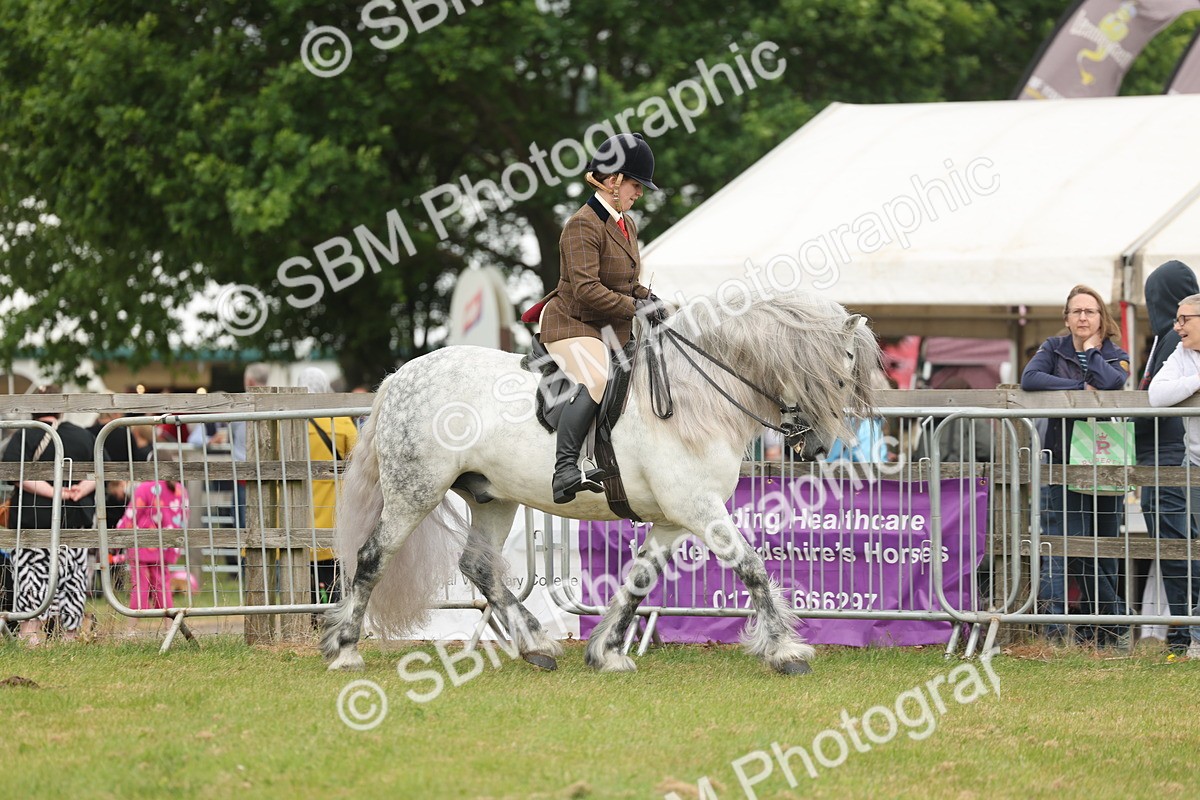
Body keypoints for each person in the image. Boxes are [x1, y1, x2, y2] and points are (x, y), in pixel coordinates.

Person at [523, 132, 668, 503]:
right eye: (636, 185)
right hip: (573, 322)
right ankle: (566, 468)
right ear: (614, 179)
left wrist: (648, 297)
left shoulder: (627, 224)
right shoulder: (581, 224)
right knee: (596, 376)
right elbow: (586, 288)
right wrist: (633, 308)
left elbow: (628, 281)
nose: (640, 193)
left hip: (609, 326)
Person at [1021, 285, 1130, 646]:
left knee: (1104, 548)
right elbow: (1031, 379)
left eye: (1090, 311)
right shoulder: (1053, 348)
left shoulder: (1115, 353)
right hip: (1061, 462)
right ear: (1066, 318)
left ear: (1102, 318)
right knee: (1065, 546)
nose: (1083, 317)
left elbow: (1114, 382)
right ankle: (1060, 632)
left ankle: (1104, 630)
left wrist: (1091, 352)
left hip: (1106, 463)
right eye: (1076, 311)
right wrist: (1077, 386)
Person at [1133, 261, 1200, 654]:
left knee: (1180, 551)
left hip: (1173, 459)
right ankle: (1184, 631)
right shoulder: (1170, 342)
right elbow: (1158, 394)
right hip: (1166, 459)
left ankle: (1183, 633)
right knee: (1173, 550)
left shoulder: (1176, 343)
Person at [3, 386, 98, 645]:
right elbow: (100, 471)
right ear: (61, 406)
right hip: (74, 520)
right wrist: (78, 490)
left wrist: (54, 491)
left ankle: (30, 633)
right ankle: (69, 635)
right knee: (72, 576)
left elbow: (16, 474)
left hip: (32, 520)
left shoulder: (23, 436)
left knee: (30, 574)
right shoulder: (82, 435)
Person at [296, 367, 358, 604]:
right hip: (332, 511)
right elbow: (357, 456)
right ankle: (336, 614)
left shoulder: (286, 421)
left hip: (295, 513)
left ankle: (302, 616)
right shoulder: (340, 420)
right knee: (335, 577)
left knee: (300, 578)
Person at [116, 478, 188, 611]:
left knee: (140, 583)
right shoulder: (180, 490)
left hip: (141, 543)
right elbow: (184, 518)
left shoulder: (145, 487)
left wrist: (116, 538)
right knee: (162, 584)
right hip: (164, 544)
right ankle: (168, 622)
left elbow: (132, 515)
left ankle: (132, 626)